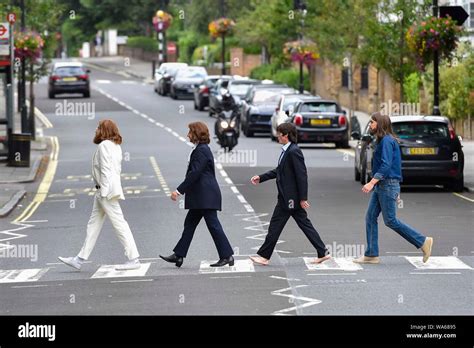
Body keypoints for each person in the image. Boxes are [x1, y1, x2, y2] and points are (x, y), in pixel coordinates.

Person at [58, 120, 141, 271]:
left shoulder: (104, 146)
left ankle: (133, 258)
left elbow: (106, 170)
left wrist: (104, 191)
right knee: (93, 224)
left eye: (98, 128)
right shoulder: (116, 146)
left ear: (104, 130)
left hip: (106, 191)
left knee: (119, 224)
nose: (95, 130)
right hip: (106, 190)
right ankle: (79, 259)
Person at [354, 112, 433, 264]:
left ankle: (423, 241)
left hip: (387, 184)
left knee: (390, 220)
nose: (370, 125)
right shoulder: (383, 140)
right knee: (370, 217)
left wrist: (371, 182)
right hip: (384, 185)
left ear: (380, 124)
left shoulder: (387, 141)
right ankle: (371, 254)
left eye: (372, 122)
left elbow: (386, 164)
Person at [249, 123, 331, 266]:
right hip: (287, 197)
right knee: (303, 224)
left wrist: (303, 198)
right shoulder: (287, 151)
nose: (277, 136)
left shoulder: (294, 151)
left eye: (279, 134)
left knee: (275, 226)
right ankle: (322, 252)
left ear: (286, 135)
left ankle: (264, 256)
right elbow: (279, 171)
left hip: (289, 198)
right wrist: (261, 177)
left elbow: (302, 175)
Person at [160, 122, 234, 268]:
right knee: (190, 224)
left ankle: (227, 256)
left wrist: (179, 190)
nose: (188, 135)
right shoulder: (200, 149)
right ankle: (179, 255)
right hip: (201, 196)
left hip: (205, 196)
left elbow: (195, 173)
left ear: (196, 133)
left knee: (213, 225)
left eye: (190, 132)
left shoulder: (201, 150)